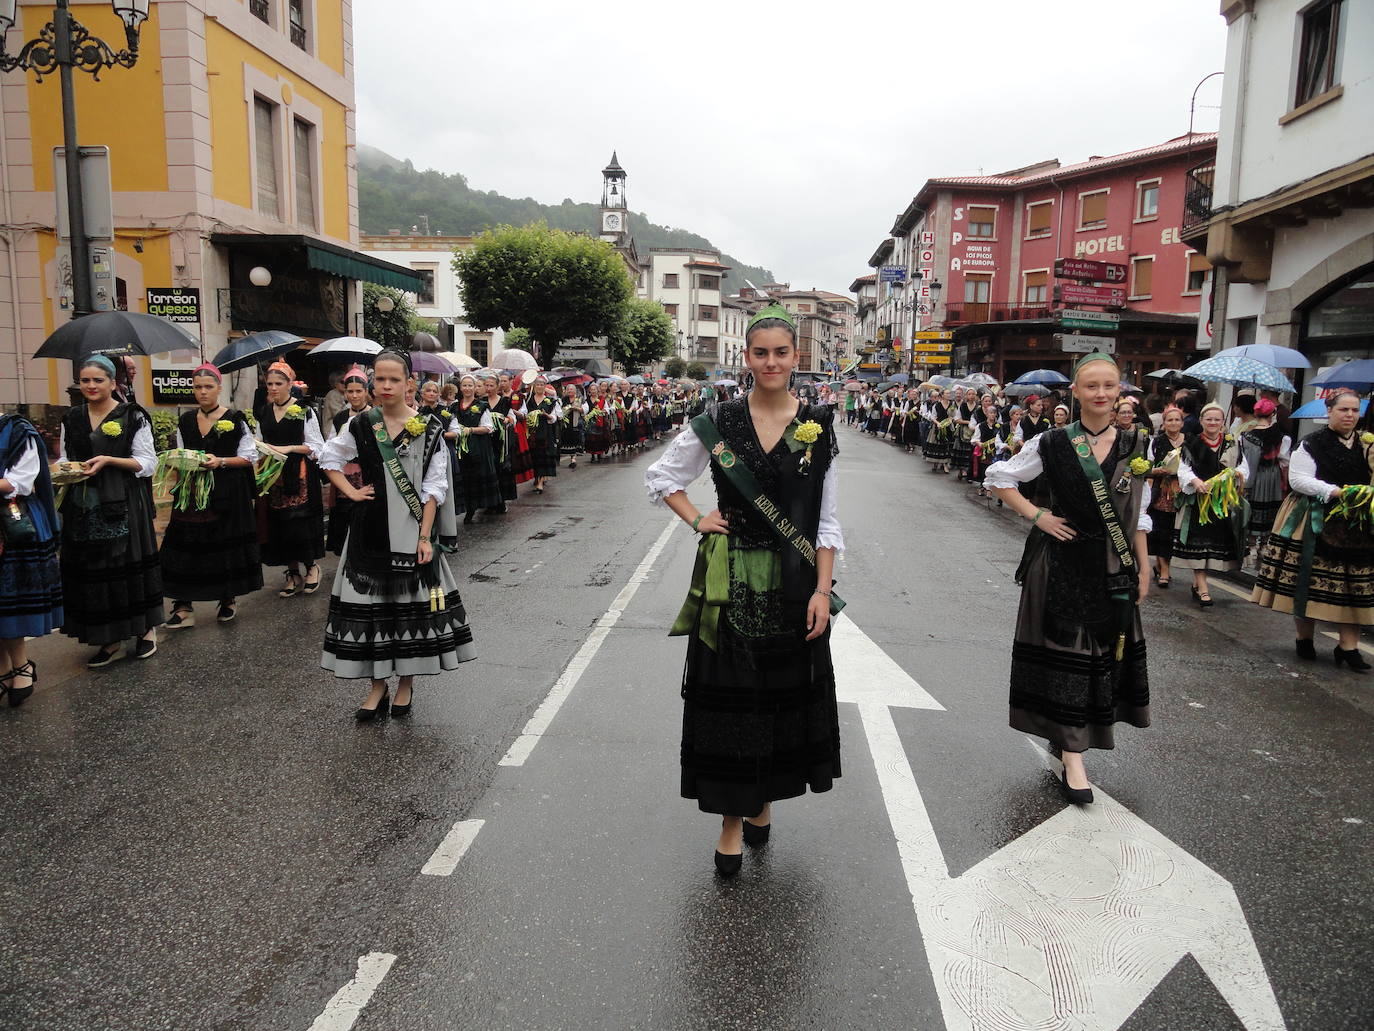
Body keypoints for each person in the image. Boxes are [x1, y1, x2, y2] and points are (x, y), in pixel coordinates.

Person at [644, 303, 843, 876]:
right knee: (734, 698)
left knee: (778, 696)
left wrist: (823, 591)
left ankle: (763, 799)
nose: (771, 361)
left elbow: (826, 520)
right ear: (746, 357)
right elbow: (664, 477)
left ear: (796, 357)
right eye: (761, 353)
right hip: (729, 580)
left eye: (781, 352)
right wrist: (697, 518)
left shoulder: (820, 425)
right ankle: (733, 819)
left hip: (794, 579)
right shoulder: (719, 420)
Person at [987, 352, 1152, 805]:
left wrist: (1143, 567)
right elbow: (999, 477)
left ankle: (1071, 738)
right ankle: (1074, 754)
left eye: (1110, 386)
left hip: (1113, 565)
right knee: (1066, 652)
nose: (1101, 394)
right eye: (1092, 386)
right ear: (1075, 392)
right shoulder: (1052, 442)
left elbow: (1139, 514)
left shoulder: (1138, 443)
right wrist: (1038, 516)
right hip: (1059, 562)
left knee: (1100, 654)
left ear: (1121, 391)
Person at [321, 350, 476, 718]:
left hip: (411, 532)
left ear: (409, 384)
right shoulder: (360, 425)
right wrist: (352, 491)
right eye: (380, 379)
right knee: (373, 612)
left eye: (394, 379)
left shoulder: (431, 427)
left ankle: (405, 682)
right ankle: (377, 687)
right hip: (368, 531)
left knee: (407, 612)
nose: (385, 386)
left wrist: (425, 538)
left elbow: (434, 488)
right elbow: (329, 458)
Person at [1253, 389, 1374, 669]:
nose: (1350, 415)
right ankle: (1304, 638)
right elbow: (1298, 480)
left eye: (1355, 410)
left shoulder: (1367, 445)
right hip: (1314, 515)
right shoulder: (1311, 443)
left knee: (1354, 585)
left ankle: (1348, 647)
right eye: (1344, 410)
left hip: (1356, 522)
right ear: (1329, 411)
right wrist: (1335, 492)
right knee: (1307, 578)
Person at [59, 355, 164, 666]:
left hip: (124, 498)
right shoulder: (72, 417)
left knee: (127, 562)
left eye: (98, 380)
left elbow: (147, 463)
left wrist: (108, 460)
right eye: (85, 380)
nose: (91, 386)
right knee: (96, 569)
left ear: (113, 384)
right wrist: (66, 470)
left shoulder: (132, 416)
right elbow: (68, 456)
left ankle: (145, 629)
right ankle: (109, 636)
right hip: (84, 500)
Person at [160, 363, 263, 628]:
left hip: (226, 491)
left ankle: (227, 598)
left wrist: (221, 462)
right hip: (192, 492)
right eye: (197, 387)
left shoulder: (235, 419)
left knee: (223, 544)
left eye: (208, 387)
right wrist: (177, 462)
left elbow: (249, 456)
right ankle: (183, 605)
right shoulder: (185, 420)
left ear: (219, 388)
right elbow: (181, 452)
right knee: (185, 544)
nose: (202, 392)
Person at [0, 409, 62, 706]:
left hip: (13, 522)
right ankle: (3, 668)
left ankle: (21, 663)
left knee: (9, 601)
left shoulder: (18, 430)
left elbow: (20, 482)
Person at [255, 360, 326, 598]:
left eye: (278, 383)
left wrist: (288, 448)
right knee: (281, 524)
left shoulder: (304, 410)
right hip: (274, 474)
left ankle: (311, 567)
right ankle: (292, 571)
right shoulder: (264, 412)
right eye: (269, 384)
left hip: (299, 472)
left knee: (300, 524)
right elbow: (258, 441)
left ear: (289, 384)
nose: (273, 388)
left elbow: (316, 446)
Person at [1174, 402, 1249, 607]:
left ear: (1222, 422)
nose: (1213, 423)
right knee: (1198, 545)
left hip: (1221, 502)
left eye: (1217, 419)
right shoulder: (1191, 443)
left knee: (1212, 547)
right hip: (1199, 501)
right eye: (1209, 419)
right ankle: (1203, 587)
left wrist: (1234, 476)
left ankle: (1198, 583)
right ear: (1201, 421)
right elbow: (1183, 469)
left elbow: (1243, 467)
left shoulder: (1233, 443)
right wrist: (1195, 481)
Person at [327, 365, 373, 554]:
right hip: (345, 474)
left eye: (358, 391)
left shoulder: (374, 415)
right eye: (350, 391)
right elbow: (331, 442)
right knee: (344, 516)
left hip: (367, 472)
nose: (354, 396)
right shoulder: (340, 417)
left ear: (366, 391)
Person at [1240, 398, 1290, 553]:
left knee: (1254, 507)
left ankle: (1252, 544)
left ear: (1255, 413)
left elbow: (1245, 461)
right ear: (1272, 414)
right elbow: (1284, 460)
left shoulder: (1246, 436)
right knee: (1270, 507)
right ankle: (1265, 545)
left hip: (1255, 476)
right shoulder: (1282, 437)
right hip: (1273, 476)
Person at [1145, 405, 1187, 589]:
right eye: (1169, 420)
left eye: (1177, 419)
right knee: (1161, 531)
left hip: (1183, 492)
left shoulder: (1190, 442)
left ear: (1182, 423)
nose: (1173, 423)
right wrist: (1157, 471)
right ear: (1164, 423)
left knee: (1173, 532)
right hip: (1162, 492)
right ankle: (1164, 571)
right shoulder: (1156, 442)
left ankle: (1162, 565)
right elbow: (1148, 467)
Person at [452, 374, 501, 524]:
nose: (467, 388)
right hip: (460, 447)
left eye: (470, 385)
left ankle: (473, 509)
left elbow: (488, 427)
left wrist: (470, 430)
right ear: (460, 388)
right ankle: (466, 506)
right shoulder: (454, 406)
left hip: (477, 446)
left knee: (475, 477)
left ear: (475, 388)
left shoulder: (481, 405)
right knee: (463, 477)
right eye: (464, 385)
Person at [526, 375, 562, 493]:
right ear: (534, 386)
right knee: (534, 456)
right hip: (532, 432)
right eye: (537, 385)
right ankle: (537, 477)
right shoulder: (528, 399)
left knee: (543, 456)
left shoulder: (550, 401)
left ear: (545, 387)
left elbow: (557, 417)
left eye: (541, 385)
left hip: (545, 431)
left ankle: (541, 482)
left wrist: (547, 416)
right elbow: (523, 413)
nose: (539, 387)